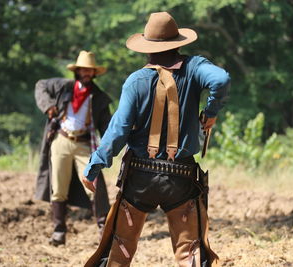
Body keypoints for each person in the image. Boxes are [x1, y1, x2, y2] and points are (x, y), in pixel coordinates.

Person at [83, 12, 230, 267]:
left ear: (147, 48)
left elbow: (119, 129)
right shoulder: (194, 67)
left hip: (139, 178)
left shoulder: (135, 81)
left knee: (120, 247)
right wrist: (211, 112)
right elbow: (221, 79)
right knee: (190, 251)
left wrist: (95, 165)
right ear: (178, 43)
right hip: (181, 178)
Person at [34, 51, 112, 246]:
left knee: (96, 186)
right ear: (77, 71)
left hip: (85, 145)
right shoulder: (63, 86)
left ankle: (104, 230)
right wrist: (48, 106)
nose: (86, 73)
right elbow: (40, 85)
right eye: (83, 69)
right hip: (61, 141)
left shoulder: (100, 98)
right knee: (58, 188)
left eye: (90, 70)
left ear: (94, 73)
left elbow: (108, 128)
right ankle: (59, 231)